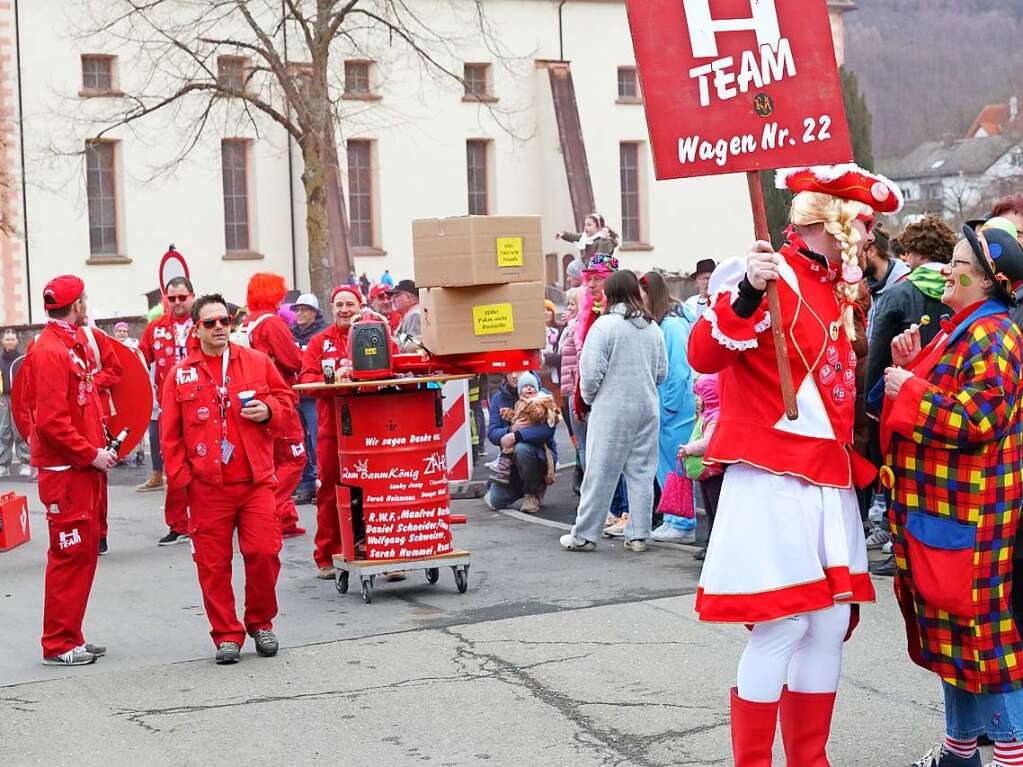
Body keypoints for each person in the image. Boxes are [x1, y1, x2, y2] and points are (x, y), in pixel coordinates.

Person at [688, 164, 901, 765]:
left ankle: (810, 759)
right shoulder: (762, 271)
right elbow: (704, 355)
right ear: (828, 221)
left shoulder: (836, 287)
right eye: (861, 224)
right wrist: (750, 291)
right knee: (782, 625)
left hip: (828, 477)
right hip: (773, 476)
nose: (868, 236)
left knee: (828, 624)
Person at [880, 219, 1023, 767]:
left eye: (959, 263)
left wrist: (910, 385)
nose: (947, 271)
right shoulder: (957, 327)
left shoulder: (994, 333)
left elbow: (979, 416)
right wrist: (910, 364)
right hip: (942, 514)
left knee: (988, 644)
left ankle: (1010, 755)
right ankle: (959, 753)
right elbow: (921, 404)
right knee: (953, 640)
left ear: (987, 280)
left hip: (973, 518)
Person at [161, 293, 297, 665]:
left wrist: (269, 410)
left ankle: (260, 622)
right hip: (207, 488)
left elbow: (288, 403)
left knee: (264, 552)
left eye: (226, 320)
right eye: (211, 323)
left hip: (255, 482)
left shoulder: (256, 362)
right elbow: (170, 437)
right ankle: (226, 634)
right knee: (213, 565)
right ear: (197, 328)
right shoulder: (181, 373)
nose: (220, 327)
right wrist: (183, 479)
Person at [30, 275, 118, 666]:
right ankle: (58, 643)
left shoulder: (72, 342)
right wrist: (90, 454)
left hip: (80, 465)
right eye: (84, 300)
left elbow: (84, 403)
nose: (87, 305)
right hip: (67, 469)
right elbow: (51, 421)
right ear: (77, 305)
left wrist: (99, 447)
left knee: (83, 554)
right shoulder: (50, 350)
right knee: (69, 555)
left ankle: (71, 635)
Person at [863, 216, 956, 574]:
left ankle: (901, 549)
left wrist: (872, 408)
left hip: (903, 393)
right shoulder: (956, 289)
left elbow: (878, 350)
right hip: (943, 397)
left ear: (913, 251)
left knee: (900, 475)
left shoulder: (901, 290)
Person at [560, 270, 666, 553]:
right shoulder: (653, 328)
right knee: (642, 473)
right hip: (647, 406)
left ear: (611, 293)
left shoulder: (605, 326)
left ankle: (584, 534)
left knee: (600, 470)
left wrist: (591, 398)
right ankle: (639, 534)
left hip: (612, 407)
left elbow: (591, 373)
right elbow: (661, 372)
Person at [298, 285, 366, 579]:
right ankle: (327, 555)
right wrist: (332, 378)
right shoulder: (319, 342)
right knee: (329, 491)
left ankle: (377, 549)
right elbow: (307, 383)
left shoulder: (372, 333)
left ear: (360, 306)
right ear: (332, 308)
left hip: (369, 428)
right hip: (332, 429)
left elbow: (393, 370)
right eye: (339, 305)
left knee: (372, 490)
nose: (345, 310)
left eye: (350, 304)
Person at [244, 273, 307, 538]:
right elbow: (293, 360)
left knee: (276, 459)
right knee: (295, 456)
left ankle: (285, 518)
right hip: (281, 395)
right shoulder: (272, 323)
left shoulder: (250, 323)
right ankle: (271, 511)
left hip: (263, 396)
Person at [138, 275, 195, 545]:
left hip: (203, 407)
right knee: (174, 467)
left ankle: (216, 519)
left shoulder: (205, 323)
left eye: (182, 297)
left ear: (192, 297)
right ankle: (178, 525)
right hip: (169, 407)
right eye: (171, 298)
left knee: (210, 465)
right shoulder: (155, 328)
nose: (176, 303)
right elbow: (137, 361)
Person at [640, 271, 697, 519]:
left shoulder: (671, 326)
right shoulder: (672, 321)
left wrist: (667, 408)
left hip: (674, 411)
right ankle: (676, 518)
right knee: (671, 466)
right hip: (671, 409)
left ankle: (681, 520)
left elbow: (678, 371)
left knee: (675, 466)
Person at [482, 370, 558, 514]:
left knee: (522, 449)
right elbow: (492, 433)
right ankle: (519, 486)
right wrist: (509, 430)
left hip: (538, 455)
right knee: (496, 500)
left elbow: (548, 430)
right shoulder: (499, 398)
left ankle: (533, 492)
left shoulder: (543, 396)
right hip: (510, 462)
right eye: (510, 372)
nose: (515, 376)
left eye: (519, 371)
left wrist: (517, 435)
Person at [678, 373, 724, 558]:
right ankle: (710, 544)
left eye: (701, 395)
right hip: (706, 472)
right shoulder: (708, 415)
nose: (697, 400)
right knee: (710, 509)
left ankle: (713, 546)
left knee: (715, 509)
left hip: (712, 470)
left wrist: (689, 449)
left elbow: (708, 442)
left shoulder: (714, 417)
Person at [291, 293, 326, 505]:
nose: (300, 313)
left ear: (314, 312)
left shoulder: (321, 335)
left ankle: (320, 483)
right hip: (296, 394)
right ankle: (305, 484)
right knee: (300, 441)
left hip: (313, 396)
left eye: (305, 309)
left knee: (316, 440)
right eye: (298, 310)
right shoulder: (291, 334)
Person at [559, 288, 583, 494]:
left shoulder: (576, 328)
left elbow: (581, 355)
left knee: (584, 446)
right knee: (580, 444)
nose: (569, 308)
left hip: (576, 391)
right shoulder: (570, 327)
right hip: (570, 389)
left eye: (572, 304)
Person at [864, 223, 910, 323]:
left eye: (860, 250)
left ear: (871, 251)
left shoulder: (906, 287)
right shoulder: (866, 289)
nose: (857, 258)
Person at [0, 328, 31, 478]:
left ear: (17, 341)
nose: (10, 342)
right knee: (3, 431)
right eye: (7, 339)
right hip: (2, 400)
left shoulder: (22, 359)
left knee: (20, 430)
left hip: (19, 398)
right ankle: (3, 464)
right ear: (2, 341)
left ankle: (25, 461)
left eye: (12, 339)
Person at [555, 213, 620, 266]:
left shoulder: (606, 241)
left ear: (598, 227)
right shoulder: (586, 237)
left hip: (599, 269)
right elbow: (575, 237)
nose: (586, 227)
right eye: (585, 225)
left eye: (589, 225)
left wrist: (604, 240)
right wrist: (563, 235)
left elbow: (601, 257)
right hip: (587, 265)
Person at [389, 280, 421, 352]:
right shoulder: (412, 313)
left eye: (396, 296)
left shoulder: (414, 315)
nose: (392, 300)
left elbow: (413, 349)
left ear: (407, 297)